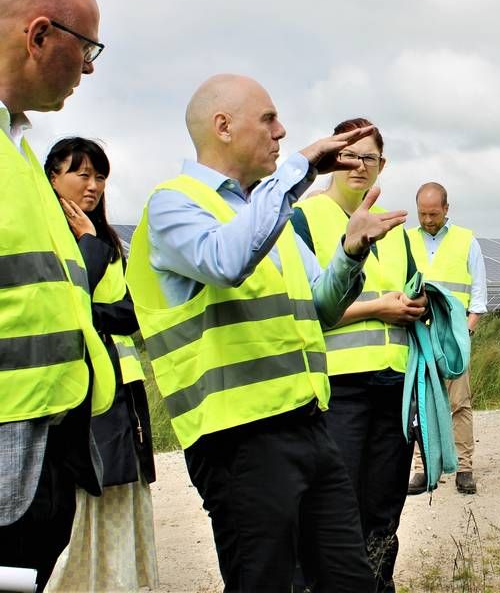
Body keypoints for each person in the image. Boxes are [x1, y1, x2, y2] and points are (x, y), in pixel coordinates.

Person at [125, 73, 406, 592]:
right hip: (239, 438)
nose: (281, 132)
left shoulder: (269, 213)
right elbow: (225, 261)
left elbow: (321, 306)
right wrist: (299, 170)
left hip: (308, 423)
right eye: (269, 119)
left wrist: (350, 252)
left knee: (350, 580)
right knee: (265, 583)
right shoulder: (173, 204)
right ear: (224, 126)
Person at [0, 0, 116, 591]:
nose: (90, 66)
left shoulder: (15, 155)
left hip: (46, 437)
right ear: (40, 33)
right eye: (86, 46)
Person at [292, 118, 424, 592]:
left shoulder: (399, 227)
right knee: (336, 504)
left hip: (396, 383)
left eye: (368, 157)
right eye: (348, 155)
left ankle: (377, 583)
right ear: (332, 159)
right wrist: (379, 308)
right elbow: (304, 307)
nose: (358, 165)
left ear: (382, 164)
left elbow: (406, 294)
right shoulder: (304, 218)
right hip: (338, 387)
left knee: (385, 504)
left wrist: (420, 306)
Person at [43, 137, 159, 592]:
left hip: (122, 388)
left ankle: (117, 582)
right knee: (82, 497)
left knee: (120, 492)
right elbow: (63, 305)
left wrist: (94, 309)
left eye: (100, 175)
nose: (93, 185)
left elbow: (133, 314)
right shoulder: (54, 235)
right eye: (81, 173)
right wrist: (88, 246)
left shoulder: (109, 240)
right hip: (79, 389)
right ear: (53, 177)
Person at [406, 181, 487, 496]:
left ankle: (464, 468)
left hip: (454, 336)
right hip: (418, 336)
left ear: (446, 209)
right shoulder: (405, 240)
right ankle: (422, 467)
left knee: (458, 403)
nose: (428, 220)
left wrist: (466, 332)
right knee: (421, 402)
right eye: (423, 214)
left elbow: (478, 296)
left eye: (434, 214)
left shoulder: (467, 241)